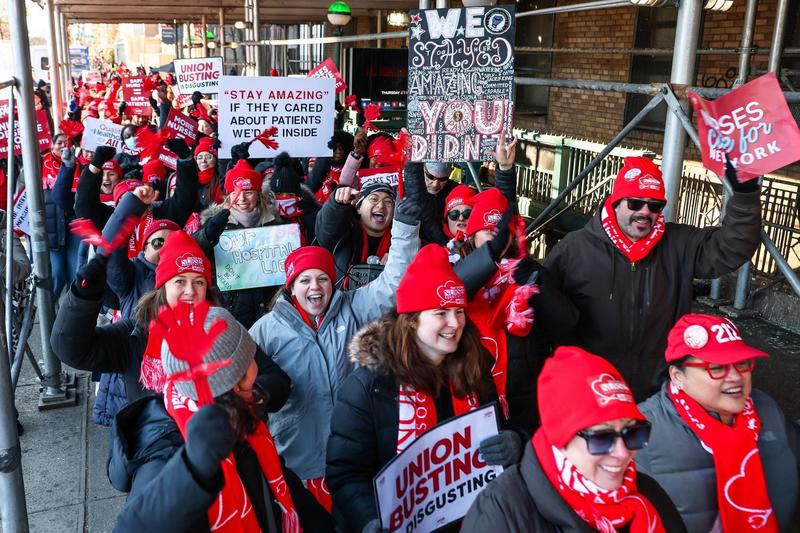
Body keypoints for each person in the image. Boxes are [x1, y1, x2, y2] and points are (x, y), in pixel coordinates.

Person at [326, 243, 524, 533]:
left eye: (459, 311)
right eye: (441, 313)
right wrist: (369, 520)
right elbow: (345, 473)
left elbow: (499, 429)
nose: (454, 323)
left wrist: (516, 441)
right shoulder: (368, 386)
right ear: (410, 321)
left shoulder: (474, 368)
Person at [249, 191, 421, 511]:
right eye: (306, 280)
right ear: (291, 286)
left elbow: (394, 284)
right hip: (298, 465)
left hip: (353, 463)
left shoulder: (353, 308)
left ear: (333, 282)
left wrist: (406, 231)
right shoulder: (265, 331)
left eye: (323, 279)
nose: (315, 288)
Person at [545, 156, 762, 399]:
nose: (645, 212)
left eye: (654, 205)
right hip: (593, 392)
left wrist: (744, 193)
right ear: (616, 203)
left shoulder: (679, 244)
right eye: (635, 203)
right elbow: (548, 318)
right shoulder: (573, 249)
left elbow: (733, 246)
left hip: (658, 392)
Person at [112, 305, 332, 532]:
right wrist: (192, 469)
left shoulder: (238, 415)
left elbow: (280, 482)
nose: (259, 364)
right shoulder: (168, 449)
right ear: (240, 378)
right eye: (252, 356)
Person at [462, 346, 686, 532]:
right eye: (602, 437)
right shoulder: (501, 512)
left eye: (633, 432)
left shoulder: (648, 493)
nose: (622, 453)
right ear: (561, 439)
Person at [636, 313, 799, 532]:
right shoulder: (642, 430)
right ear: (677, 376)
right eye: (716, 368)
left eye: (741, 363)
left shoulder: (766, 408)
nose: (735, 377)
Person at [197, 157, 284, 328]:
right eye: (236, 193)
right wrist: (208, 234)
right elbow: (192, 249)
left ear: (258, 195)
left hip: (269, 313)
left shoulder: (275, 225)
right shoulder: (214, 224)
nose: (242, 198)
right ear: (228, 197)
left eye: (249, 192)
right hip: (229, 312)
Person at [315, 180, 398, 288]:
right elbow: (326, 231)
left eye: (388, 202)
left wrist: (399, 264)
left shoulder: (400, 242)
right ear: (359, 208)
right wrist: (336, 204)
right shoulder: (344, 232)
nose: (381, 205)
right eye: (374, 199)